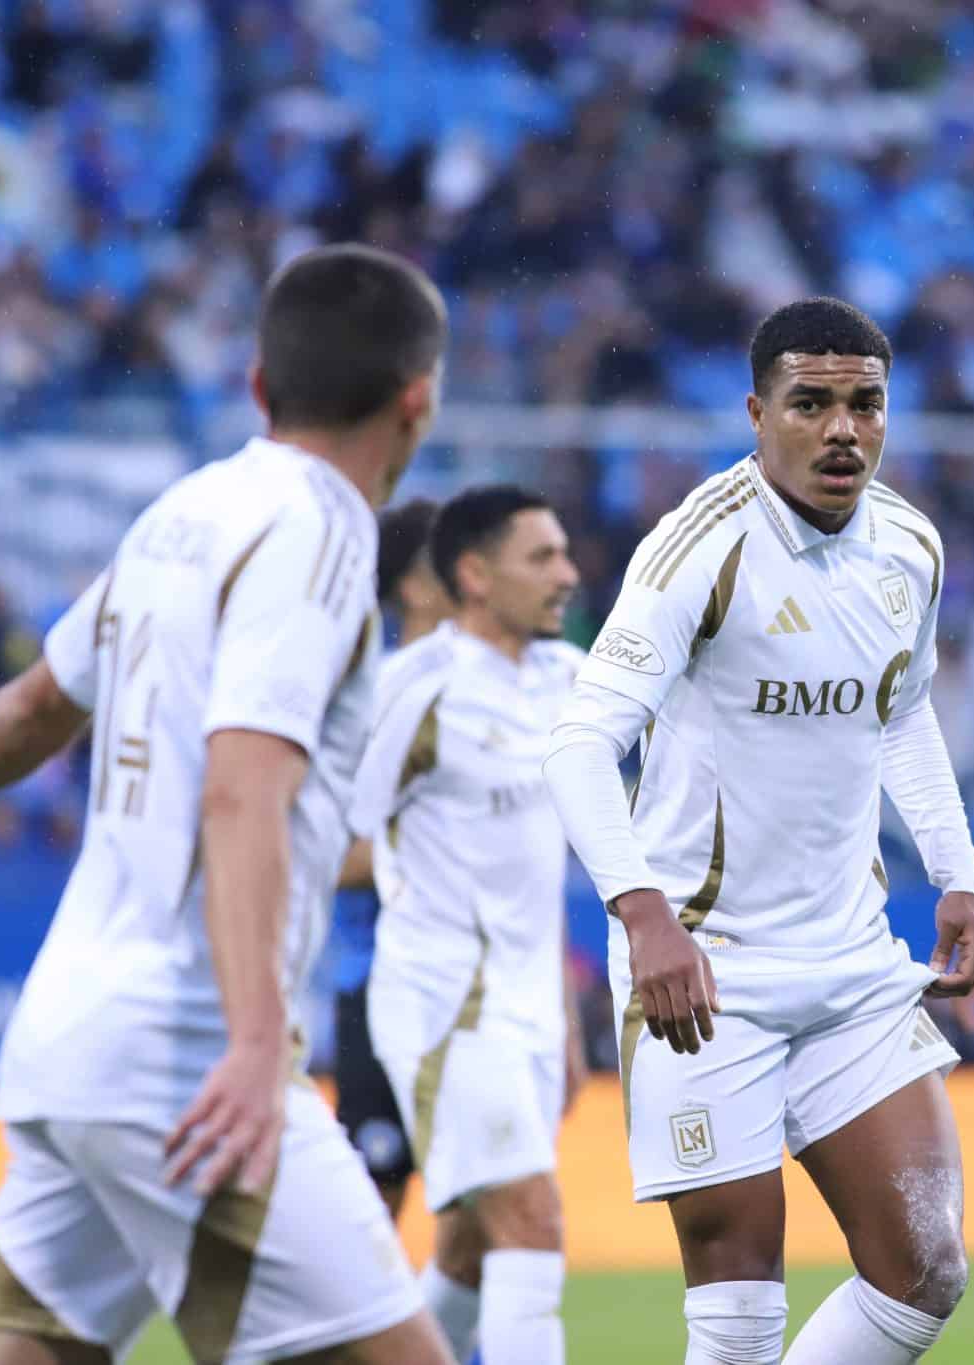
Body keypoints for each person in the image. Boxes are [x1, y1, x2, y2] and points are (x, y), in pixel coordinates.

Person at [0, 244, 458, 1365]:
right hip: (186, 1056)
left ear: (260, 386)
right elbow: (241, 785)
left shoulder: (186, 509)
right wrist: (262, 1042)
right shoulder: (321, 531)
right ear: (420, 400)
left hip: (71, 1043)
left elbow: (37, 701)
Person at [543, 297, 974, 1365]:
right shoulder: (698, 548)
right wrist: (644, 916)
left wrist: (958, 873)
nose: (842, 430)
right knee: (740, 1318)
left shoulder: (910, 549)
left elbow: (902, 710)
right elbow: (574, 744)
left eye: (865, 405)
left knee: (926, 1273)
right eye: (812, 404)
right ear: (757, 412)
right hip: (708, 976)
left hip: (849, 964)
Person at [348, 484, 587, 1365]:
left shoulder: (566, 679)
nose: (567, 573)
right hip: (445, 1006)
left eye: (563, 552)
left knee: (470, 1248)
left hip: (527, 1009)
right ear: (475, 576)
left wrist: (562, 1019)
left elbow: (539, 870)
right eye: (543, 557)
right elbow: (328, 835)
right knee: (531, 1217)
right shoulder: (414, 688)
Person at [331, 496, 451, 1222]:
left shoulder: (498, 685)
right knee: (376, 1202)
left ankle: (464, 1343)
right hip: (376, 982)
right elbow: (327, 853)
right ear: (413, 583)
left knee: (495, 1208)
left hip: (475, 984)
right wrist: (440, 851)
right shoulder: (366, 696)